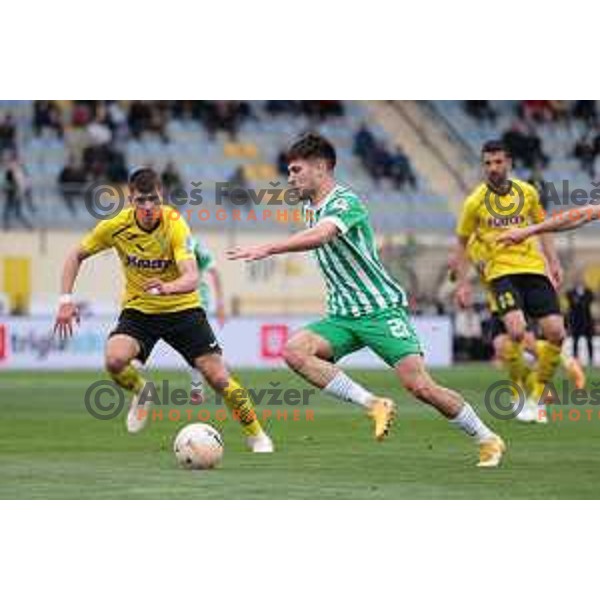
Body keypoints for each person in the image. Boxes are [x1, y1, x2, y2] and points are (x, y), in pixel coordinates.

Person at [227, 133, 505, 467]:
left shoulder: (346, 202)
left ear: (320, 168)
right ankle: (373, 403)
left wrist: (270, 248)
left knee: (420, 387)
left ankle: (487, 438)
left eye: (296, 170)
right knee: (294, 351)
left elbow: (323, 235)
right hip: (342, 316)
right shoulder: (307, 208)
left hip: (379, 311)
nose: (290, 178)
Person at [53, 166, 272, 452]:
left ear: (162, 196)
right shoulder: (115, 226)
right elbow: (75, 255)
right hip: (140, 311)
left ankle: (257, 435)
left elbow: (192, 277)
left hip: (183, 310)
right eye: (140, 200)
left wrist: (167, 287)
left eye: (153, 199)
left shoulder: (175, 224)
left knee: (218, 377)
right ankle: (142, 391)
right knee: (115, 360)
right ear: (130, 199)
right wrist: (65, 301)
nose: (147, 207)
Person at [453, 140, 566, 424]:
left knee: (556, 332)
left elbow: (545, 228)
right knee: (515, 332)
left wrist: (553, 261)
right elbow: (462, 243)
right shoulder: (474, 202)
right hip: (500, 272)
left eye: (498, 162)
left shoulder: (527, 193)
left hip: (533, 268)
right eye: (488, 163)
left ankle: (536, 395)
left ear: (510, 163)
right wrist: (462, 283)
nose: (493, 168)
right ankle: (520, 391)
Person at [189, 236, 226, 403]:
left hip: (197, 302)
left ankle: (199, 387)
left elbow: (214, 270)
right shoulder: (161, 241)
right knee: (196, 348)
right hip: (173, 302)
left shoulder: (192, 244)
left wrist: (220, 303)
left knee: (196, 347)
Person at [566, 279, 595, 365]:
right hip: (576, 321)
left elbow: (589, 300)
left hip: (587, 320)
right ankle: (575, 358)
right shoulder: (571, 293)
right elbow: (570, 300)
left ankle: (591, 359)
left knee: (589, 341)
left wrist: (579, 300)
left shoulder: (588, 292)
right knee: (575, 341)